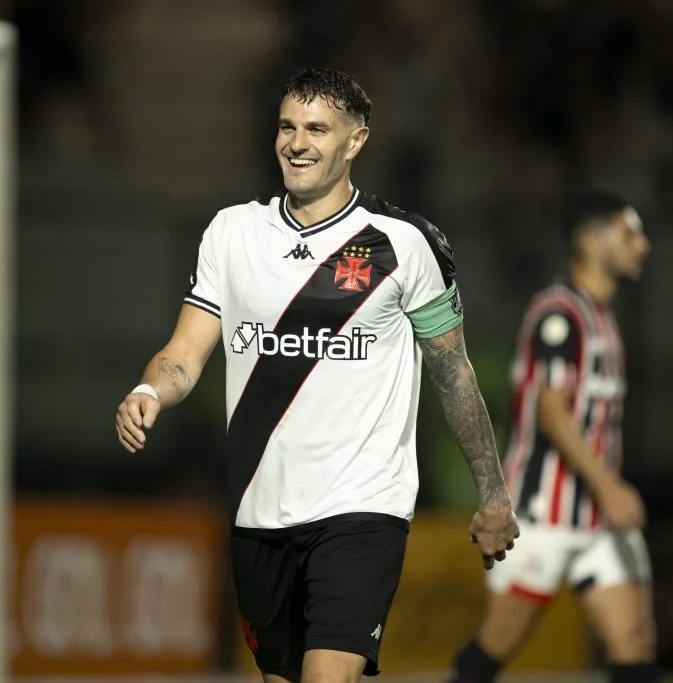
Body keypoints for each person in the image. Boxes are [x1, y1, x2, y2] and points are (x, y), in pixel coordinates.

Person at [115, 68, 519, 683]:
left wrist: (492, 496)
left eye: (316, 129)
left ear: (355, 141)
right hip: (258, 510)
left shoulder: (403, 244)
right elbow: (184, 354)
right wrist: (150, 391)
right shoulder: (232, 233)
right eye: (287, 127)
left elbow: (453, 374)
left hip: (363, 508)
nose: (297, 143)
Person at [447, 190, 658, 683]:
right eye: (629, 233)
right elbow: (553, 415)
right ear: (590, 241)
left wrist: (604, 493)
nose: (642, 245)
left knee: (634, 644)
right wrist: (610, 486)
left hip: (598, 519)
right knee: (495, 646)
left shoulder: (602, 316)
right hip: (544, 513)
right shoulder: (559, 315)